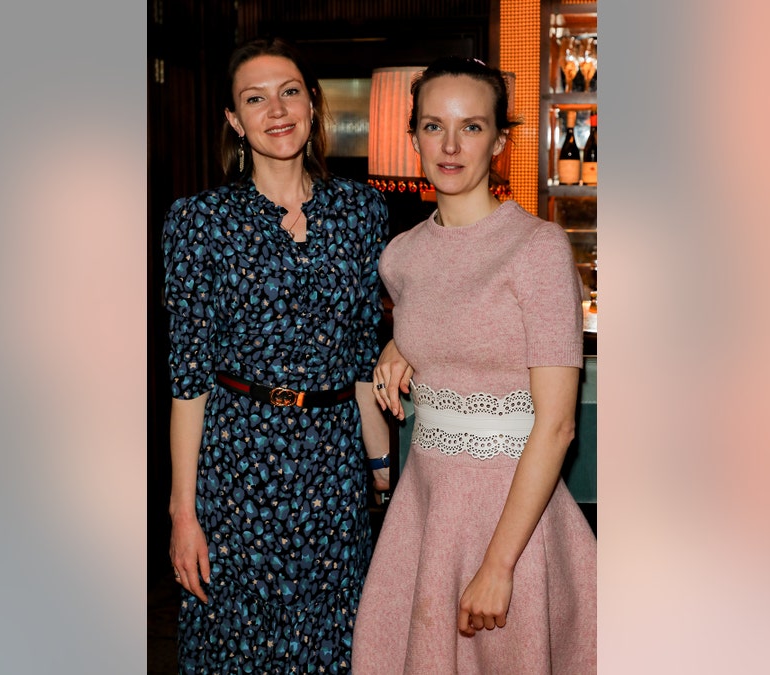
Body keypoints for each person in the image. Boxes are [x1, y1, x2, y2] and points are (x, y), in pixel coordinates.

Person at [351, 57, 597, 673]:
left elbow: (558, 424)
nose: (451, 145)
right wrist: (398, 345)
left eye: (472, 126)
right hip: (426, 507)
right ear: (413, 139)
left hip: (512, 518)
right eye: (433, 126)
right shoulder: (400, 256)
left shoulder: (538, 248)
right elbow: (440, 323)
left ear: (501, 141)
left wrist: (498, 565)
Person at [162, 37, 392, 673]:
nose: (277, 110)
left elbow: (360, 355)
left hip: (333, 468)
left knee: (335, 643)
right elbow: (188, 378)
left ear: (313, 106)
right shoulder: (198, 220)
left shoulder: (362, 209)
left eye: (289, 92)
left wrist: (380, 468)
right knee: (238, 645)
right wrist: (184, 512)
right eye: (254, 99)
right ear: (235, 122)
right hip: (237, 465)